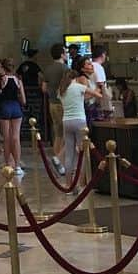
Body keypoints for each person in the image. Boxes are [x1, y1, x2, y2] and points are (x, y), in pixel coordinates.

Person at [58, 57, 103, 176]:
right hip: (80, 120)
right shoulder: (79, 85)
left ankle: (68, 183)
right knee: (82, 152)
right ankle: (81, 181)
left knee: (69, 154)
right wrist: (98, 88)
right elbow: (97, 95)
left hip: (66, 121)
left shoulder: (61, 91)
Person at [41, 42, 69, 174]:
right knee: (66, 133)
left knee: (57, 133)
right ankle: (60, 161)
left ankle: (58, 160)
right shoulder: (65, 68)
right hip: (63, 103)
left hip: (52, 103)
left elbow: (44, 88)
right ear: (62, 54)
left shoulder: (47, 69)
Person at [0, 59, 26, 174]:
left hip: (5, 108)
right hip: (16, 108)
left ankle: (8, 164)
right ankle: (17, 166)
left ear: (3, 68)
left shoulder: (2, 79)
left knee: (6, 138)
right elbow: (23, 100)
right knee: (16, 137)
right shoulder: (18, 80)